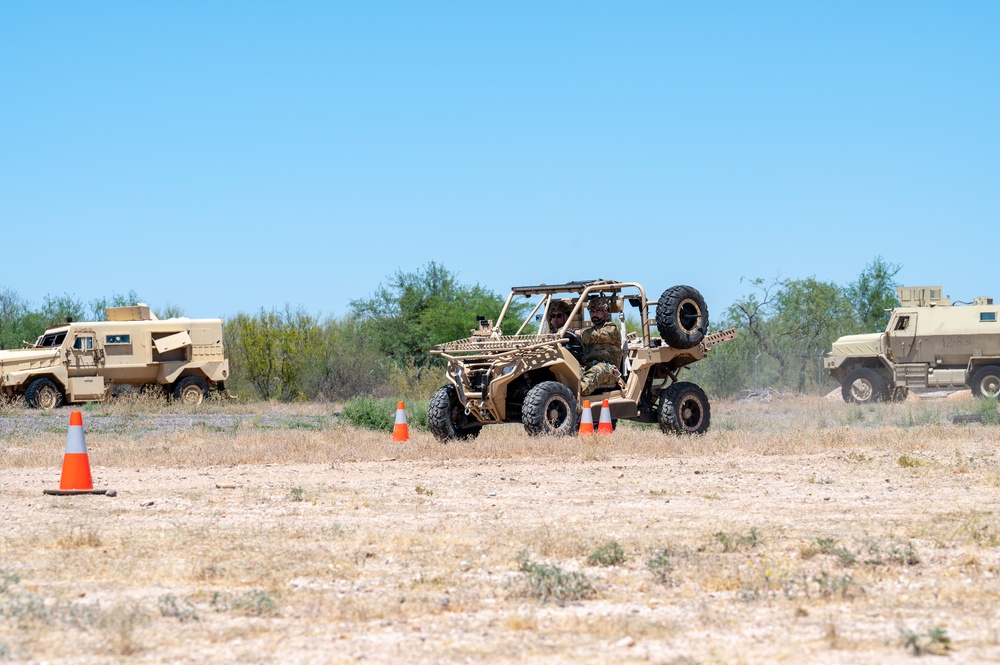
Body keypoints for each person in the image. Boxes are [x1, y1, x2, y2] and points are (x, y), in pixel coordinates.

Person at [578, 295, 622, 395]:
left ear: (606, 312)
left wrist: (579, 333)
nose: (594, 314)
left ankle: (579, 393)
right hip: (588, 366)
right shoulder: (589, 330)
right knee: (571, 371)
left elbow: (597, 335)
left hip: (609, 370)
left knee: (596, 371)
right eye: (592, 312)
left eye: (598, 311)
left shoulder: (612, 329)